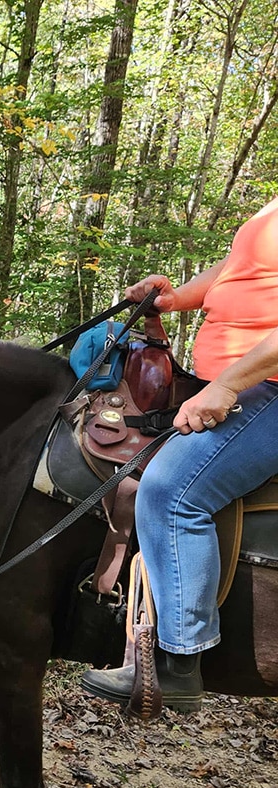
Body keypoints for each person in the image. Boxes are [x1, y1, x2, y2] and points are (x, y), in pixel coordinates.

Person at [82, 195, 278, 712]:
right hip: (233, 381)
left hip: (268, 388)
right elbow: (239, 268)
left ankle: (179, 663)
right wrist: (175, 299)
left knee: (172, 491)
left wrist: (227, 386)